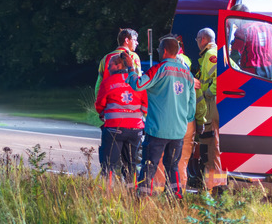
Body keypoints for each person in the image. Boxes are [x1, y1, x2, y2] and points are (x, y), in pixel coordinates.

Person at [134, 36, 195, 197]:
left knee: (149, 163)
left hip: (158, 129)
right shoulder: (187, 74)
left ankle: (143, 196)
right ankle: (175, 195)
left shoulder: (159, 69)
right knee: (173, 165)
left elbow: (138, 84)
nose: (159, 52)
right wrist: (185, 120)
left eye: (160, 49)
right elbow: (191, 104)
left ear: (165, 50)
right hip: (178, 130)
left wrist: (129, 71)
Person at [94, 50, 146, 184]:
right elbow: (146, 107)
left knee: (109, 164)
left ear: (118, 66)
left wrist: (104, 112)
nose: (108, 68)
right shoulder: (137, 81)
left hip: (114, 129)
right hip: (136, 130)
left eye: (110, 65)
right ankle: (132, 193)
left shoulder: (108, 82)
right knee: (132, 165)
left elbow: (99, 106)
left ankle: (108, 193)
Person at [195, 28, 226, 193]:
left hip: (211, 106)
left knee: (210, 148)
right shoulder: (216, 53)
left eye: (197, 40)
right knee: (213, 148)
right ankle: (215, 186)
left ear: (203, 39)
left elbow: (219, 77)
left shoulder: (211, 55)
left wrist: (209, 91)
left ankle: (213, 188)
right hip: (211, 107)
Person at [96, 28, 141, 97]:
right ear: (127, 40)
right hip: (127, 99)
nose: (137, 43)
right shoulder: (133, 56)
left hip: (109, 101)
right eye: (134, 40)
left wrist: (98, 100)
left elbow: (99, 83)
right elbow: (138, 82)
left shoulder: (105, 58)